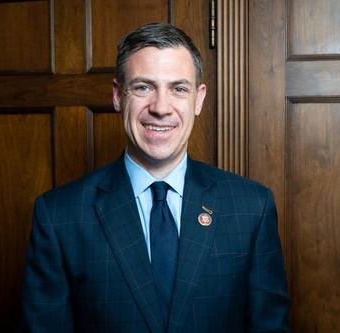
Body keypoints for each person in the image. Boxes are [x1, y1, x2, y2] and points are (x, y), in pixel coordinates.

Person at [18, 23, 290, 333]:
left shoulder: (252, 207)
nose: (161, 108)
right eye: (143, 87)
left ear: (198, 99)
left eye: (178, 88)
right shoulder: (59, 215)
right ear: (119, 95)